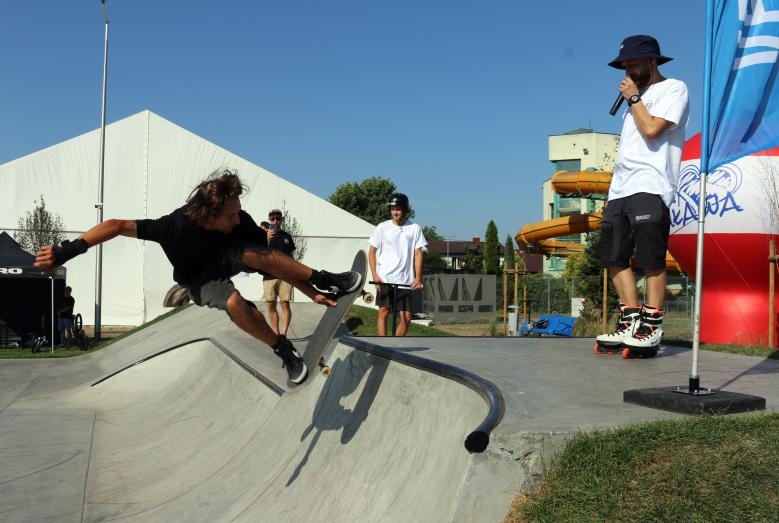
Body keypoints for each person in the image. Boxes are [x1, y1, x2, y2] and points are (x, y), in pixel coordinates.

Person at [34, 170, 361, 384]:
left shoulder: (240, 221)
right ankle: (282, 348)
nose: (239, 219)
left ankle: (326, 278)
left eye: (238, 211)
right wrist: (66, 251)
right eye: (231, 214)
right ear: (210, 214)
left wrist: (309, 290)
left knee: (253, 251)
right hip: (198, 279)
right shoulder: (173, 227)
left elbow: (274, 265)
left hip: (228, 258)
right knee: (234, 303)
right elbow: (117, 225)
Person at [595, 35, 690, 354]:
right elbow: (628, 150)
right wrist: (612, 189)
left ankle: (651, 324)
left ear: (652, 62)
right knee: (612, 256)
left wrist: (635, 99)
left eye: (633, 64)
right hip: (621, 188)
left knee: (651, 257)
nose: (627, 70)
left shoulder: (674, 89)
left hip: (652, 184)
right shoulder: (632, 103)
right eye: (624, 65)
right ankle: (630, 319)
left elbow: (651, 129)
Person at [368, 193, 427, 336]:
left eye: (398, 209)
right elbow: (372, 252)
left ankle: (395, 344)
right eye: (393, 208)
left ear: (405, 210)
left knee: (406, 317)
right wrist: (375, 275)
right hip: (385, 277)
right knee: (384, 311)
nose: (395, 212)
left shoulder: (414, 228)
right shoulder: (382, 227)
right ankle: (383, 347)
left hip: (405, 280)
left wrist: (418, 277)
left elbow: (418, 253)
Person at [263, 208, 296, 337]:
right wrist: (267, 239)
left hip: (286, 276)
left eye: (278, 219)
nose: (275, 221)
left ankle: (283, 334)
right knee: (271, 304)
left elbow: (291, 257)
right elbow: (259, 255)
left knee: (285, 303)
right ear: (269, 220)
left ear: (281, 220)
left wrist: (295, 276)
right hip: (268, 275)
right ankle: (275, 333)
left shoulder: (287, 236)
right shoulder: (263, 236)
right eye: (272, 219)